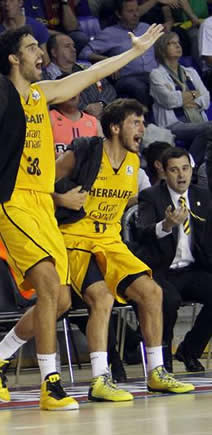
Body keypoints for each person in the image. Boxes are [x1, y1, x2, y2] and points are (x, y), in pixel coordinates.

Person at [0, 17, 163, 410]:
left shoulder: (43, 93)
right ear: (13, 58)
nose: (39, 53)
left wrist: (135, 52)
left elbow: (93, 71)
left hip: (42, 203)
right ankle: (50, 383)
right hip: (11, 201)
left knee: (57, 302)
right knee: (45, 285)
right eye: (30, 48)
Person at [56, 99, 194, 402]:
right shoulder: (85, 152)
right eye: (136, 122)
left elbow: (128, 201)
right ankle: (99, 378)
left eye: (143, 122)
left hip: (110, 240)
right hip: (75, 239)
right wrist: (61, 200)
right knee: (102, 297)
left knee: (152, 293)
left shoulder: (133, 163)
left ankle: (156, 372)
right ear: (115, 127)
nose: (142, 128)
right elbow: (42, 186)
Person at [134, 146, 212, 372]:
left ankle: (189, 350)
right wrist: (166, 225)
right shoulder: (151, 196)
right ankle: (163, 359)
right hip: (161, 270)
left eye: (185, 169)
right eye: (175, 170)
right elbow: (141, 231)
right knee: (168, 300)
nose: (181, 175)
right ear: (164, 173)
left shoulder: (203, 196)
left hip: (193, 268)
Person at [80, 0, 158, 107]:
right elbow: (84, 53)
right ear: (119, 14)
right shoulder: (109, 33)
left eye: (137, 10)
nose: (135, 14)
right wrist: (107, 61)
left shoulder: (146, 28)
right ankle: (144, 121)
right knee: (139, 87)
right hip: (127, 77)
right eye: (130, 11)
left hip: (152, 74)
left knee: (164, 81)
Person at [150, 32, 212, 165]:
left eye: (178, 43)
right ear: (162, 49)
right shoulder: (156, 74)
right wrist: (194, 94)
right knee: (210, 129)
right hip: (173, 124)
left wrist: (185, 99)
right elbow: (169, 100)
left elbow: (206, 99)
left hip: (197, 120)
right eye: (172, 43)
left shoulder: (190, 71)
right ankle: (190, 166)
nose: (178, 46)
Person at [43, 33, 117, 119]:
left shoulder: (86, 68)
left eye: (73, 46)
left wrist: (101, 103)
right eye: (67, 46)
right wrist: (85, 109)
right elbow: (52, 103)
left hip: (101, 118)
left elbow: (109, 88)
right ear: (54, 52)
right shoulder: (45, 78)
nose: (73, 50)